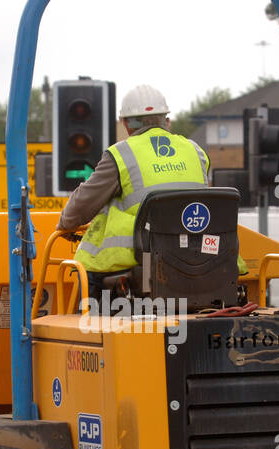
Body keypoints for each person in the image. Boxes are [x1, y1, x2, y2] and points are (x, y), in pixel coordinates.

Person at [57, 84, 212, 302]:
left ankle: (91, 324)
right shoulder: (196, 151)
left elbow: (78, 211)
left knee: (87, 272)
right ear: (165, 119)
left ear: (126, 123)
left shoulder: (121, 155)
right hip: (201, 263)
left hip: (143, 271)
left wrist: (64, 224)